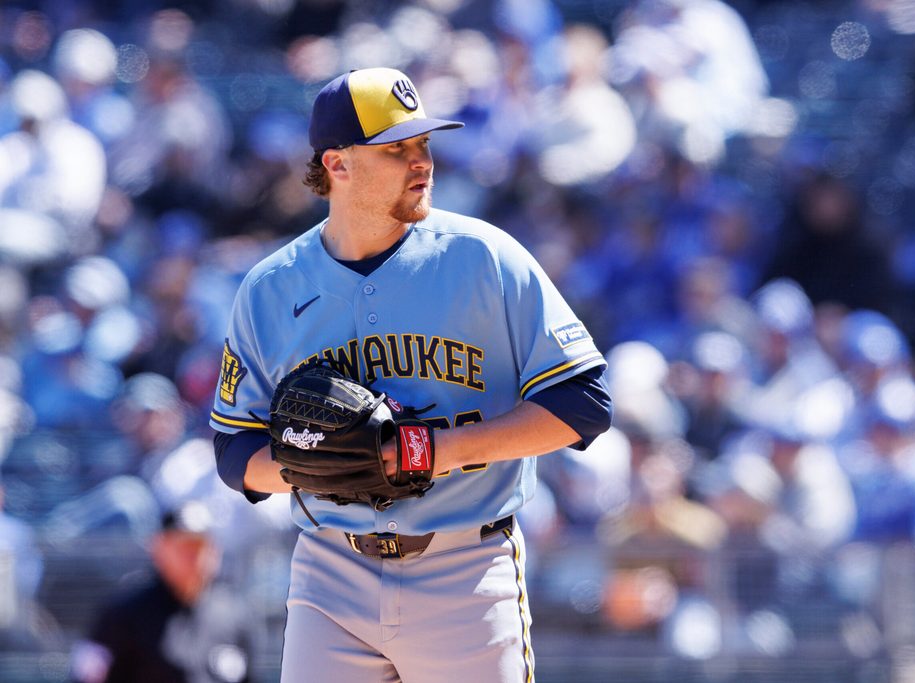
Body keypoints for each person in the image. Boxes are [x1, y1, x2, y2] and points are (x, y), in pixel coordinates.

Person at [208, 67, 612, 682]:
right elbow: (235, 450)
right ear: (337, 165)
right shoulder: (271, 288)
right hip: (330, 572)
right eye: (396, 149)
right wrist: (314, 462)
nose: (420, 162)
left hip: (465, 569)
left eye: (423, 144)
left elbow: (584, 403)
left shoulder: (484, 258)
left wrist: (429, 451)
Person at [71, 505, 253, 683]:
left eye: (199, 545)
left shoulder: (234, 615)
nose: (193, 556)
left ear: (215, 551)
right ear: (159, 548)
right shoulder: (124, 614)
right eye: (183, 546)